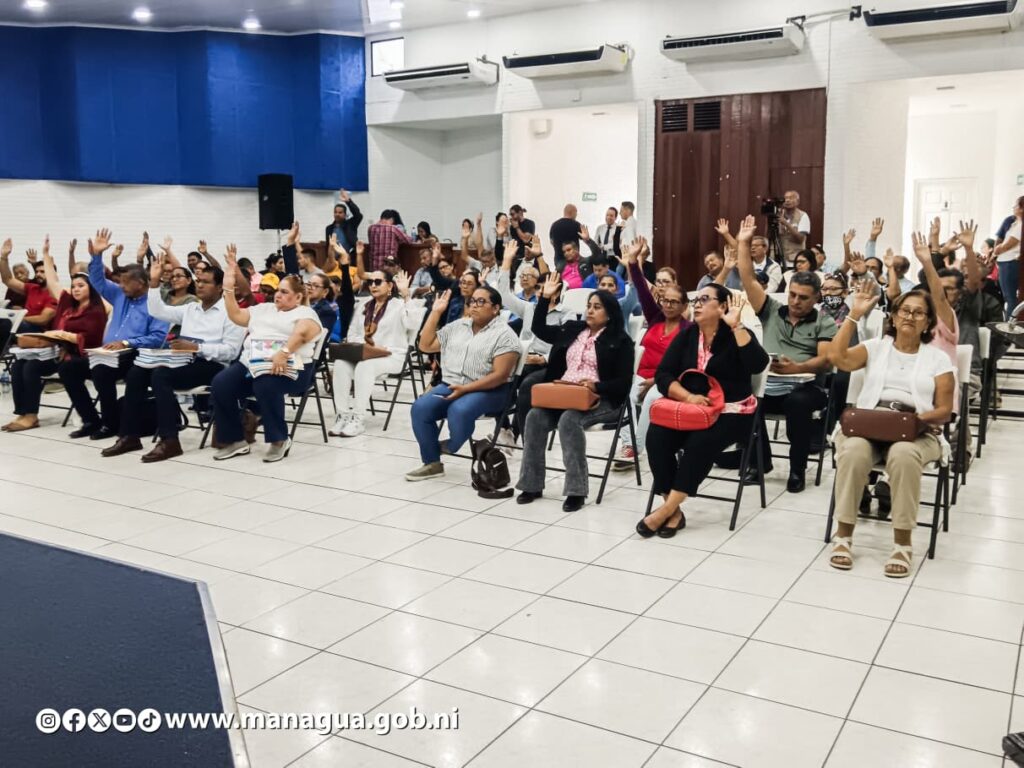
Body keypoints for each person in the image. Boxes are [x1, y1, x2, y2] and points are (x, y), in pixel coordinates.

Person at [826, 284, 954, 577]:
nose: (910, 316)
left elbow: (945, 410)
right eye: (904, 311)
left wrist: (913, 422)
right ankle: (843, 535)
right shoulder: (876, 347)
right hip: (870, 423)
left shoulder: (938, 359)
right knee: (853, 451)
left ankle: (902, 543)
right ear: (893, 317)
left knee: (904, 454)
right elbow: (837, 358)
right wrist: (854, 316)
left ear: (928, 323)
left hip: (918, 428)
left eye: (918, 313)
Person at [638, 286, 767, 537]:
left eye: (705, 299)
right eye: (696, 299)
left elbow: (758, 364)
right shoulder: (687, 335)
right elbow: (663, 375)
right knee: (656, 437)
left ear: (723, 307)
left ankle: (665, 511)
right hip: (691, 409)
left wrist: (736, 326)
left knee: (699, 443)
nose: (697, 304)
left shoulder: (737, 334)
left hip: (732, 412)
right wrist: (688, 397)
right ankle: (673, 510)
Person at [100, 260, 246, 462]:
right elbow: (157, 311)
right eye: (198, 281)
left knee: (161, 375)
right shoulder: (191, 309)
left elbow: (230, 352)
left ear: (220, 287)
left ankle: (170, 440)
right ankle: (129, 435)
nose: (199, 285)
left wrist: (196, 347)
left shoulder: (231, 313)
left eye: (206, 282)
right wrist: (153, 283)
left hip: (212, 365)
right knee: (137, 372)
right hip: (182, 360)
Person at [735, 215, 837, 493]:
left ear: (816, 298)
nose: (795, 301)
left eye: (803, 297)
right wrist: (743, 243)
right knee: (744, 399)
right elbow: (748, 279)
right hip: (769, 385)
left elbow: (826, 361)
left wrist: (797, 368)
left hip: (806, 387)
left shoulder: (824, 321)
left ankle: (797, 470)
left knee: (797, 403)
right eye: (792, 295)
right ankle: (760, 462)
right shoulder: (771, 310)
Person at [516, 273, 634, 512]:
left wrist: (596, 386)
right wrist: (544, 298)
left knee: (570, 420)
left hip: (601, 400)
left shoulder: (620, 341)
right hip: (565, 394)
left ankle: (576, 490)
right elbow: (539, 328)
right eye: (589, 306)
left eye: (597, 307)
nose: (590, 311)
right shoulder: (573, 329)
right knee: (535, 417)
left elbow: (623, 383)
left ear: (609, 313)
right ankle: (531, 484)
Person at [210, 249, 323, 463]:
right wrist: (228, 288)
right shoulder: (264, 309)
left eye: (284, 292)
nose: (278, 295)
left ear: (298, 297)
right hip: (253, 364)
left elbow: (302, 333)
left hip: (292, 367)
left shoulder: (305, 313)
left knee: (265, 384)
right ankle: (235, 440)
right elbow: (235, 315)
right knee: (221, 384)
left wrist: (284, 352)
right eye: (278, 290)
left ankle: (279, 439)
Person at [58, 229, 168, 440]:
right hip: (108, 353)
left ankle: (110, 424)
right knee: (68, 368)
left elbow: (157, 337)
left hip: (136, 355)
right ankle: (91, 420)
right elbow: (97, 281)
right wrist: (97, 256)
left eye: (126, 282)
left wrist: (126, 342)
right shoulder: (120, 294)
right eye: (121, 281)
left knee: (101, 371)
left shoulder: (155, 304)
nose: (121, 285)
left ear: (141, 283)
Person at [406, 286, 521, 481]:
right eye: (472, 301)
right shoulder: (458, 326)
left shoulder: (505, 335)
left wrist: (465, 389)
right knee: (420, 408)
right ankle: (432, 463)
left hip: (492, 390)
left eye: (481, 302)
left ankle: (451, 446)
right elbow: (425, 345)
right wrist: (436, 312)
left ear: (495, 308)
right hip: (452, 385)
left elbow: (500, 375)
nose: (474, 305)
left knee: (459, 409)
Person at [4, 238, 106, 432]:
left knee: (31, 367)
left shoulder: (97, 309)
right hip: (58, 352)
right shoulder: (69, 304)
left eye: (81, 286)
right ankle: (23, 413)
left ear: (91, 287)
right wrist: (45, 255)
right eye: (74, 286)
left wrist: (61, 336)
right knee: (18, 365)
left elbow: (90, 339)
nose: (75, 289)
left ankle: (32, 415)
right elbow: (53, 282)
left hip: (79, 356)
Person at [329, 269, 417, 438]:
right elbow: (352, 333)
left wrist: (406, 295)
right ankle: (343, 415)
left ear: (389, 286)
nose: (373, 285)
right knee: (340, 364)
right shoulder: (364, 305)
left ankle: (358, 419)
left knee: (365, 366)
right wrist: (365, 346)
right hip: (365, 353)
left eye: (378, 282)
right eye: (370, 282)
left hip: (392, 355)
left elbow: (412, 324)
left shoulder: (399, 305)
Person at [496, 240, 569, 438]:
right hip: (523, 359)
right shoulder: (530, 308)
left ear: (557, 292)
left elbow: (565, 347)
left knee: (525, 383)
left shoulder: (566, 314)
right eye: (538, 288)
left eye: (545, 288)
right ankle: (504, 429)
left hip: (547, 364)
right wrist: (506, 262)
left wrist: (543, 358)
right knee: (496, 378)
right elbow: (503, 295)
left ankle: (519, 435)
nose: (540, 292)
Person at [1, 243, 57, 332]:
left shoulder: (55, 295)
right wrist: (4, 257)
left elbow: (43, 319)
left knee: (6, 324)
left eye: (42, 272)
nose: (38, 274)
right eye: (37, 272)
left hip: (38, 329)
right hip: (23, 323)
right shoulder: (32, 288)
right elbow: (8, 280)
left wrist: (19, 318)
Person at [992, 196, 1023, 319]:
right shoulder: (1014, 223)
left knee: (1010, 297)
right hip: (1006, 263)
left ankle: (1011, 323)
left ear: (1022, 208)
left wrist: (997, 249)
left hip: (1010, 263)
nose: (1013, 207)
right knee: (1008, 297)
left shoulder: (1020, 226)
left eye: (1016, 205)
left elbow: (1005, 246)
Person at [324, 189, 363, 255]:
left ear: (345, 214)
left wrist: (348, 201)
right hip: (334, 259)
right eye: (335, 212)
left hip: (349, 258)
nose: (337, 214)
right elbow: (328, 246)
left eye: (340, 212)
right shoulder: (329, 228)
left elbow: (358, 215)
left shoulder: (350, 224)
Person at [777, 190, 810, 267]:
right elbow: (768, 235)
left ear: (798, 202)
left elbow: (800, 239)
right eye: (785, 198)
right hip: (777, 260)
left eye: (791, 198)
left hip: (793, 261)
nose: (787, 200)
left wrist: (785, 223)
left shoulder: (803, 216)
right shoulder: (778, 214)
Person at [550, 204, 582, 269]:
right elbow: (584, 237)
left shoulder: (554, 225)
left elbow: (551, 241)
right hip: (573, 259)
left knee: (561, 274)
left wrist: (558, 248)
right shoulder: (576, 225)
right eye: (576, 213)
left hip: (558, 259)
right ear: (572, 212)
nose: (576, 215)